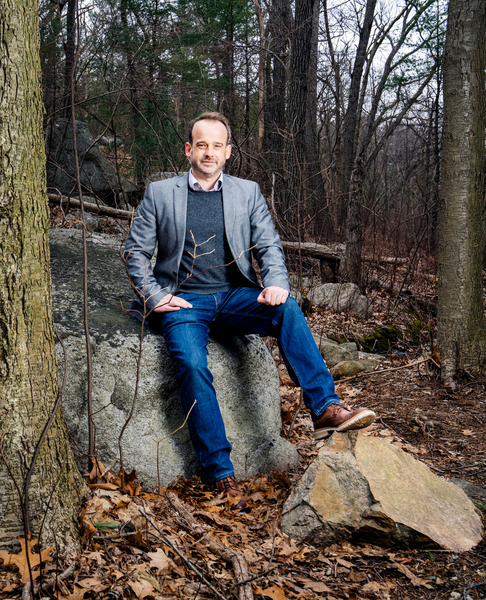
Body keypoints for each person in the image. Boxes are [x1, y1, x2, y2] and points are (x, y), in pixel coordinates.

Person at [123, 112, 376, 509]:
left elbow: (269, 246)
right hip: (183, 302)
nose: (209, 152)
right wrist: (155, 297)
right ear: (189, 150)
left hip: (233, 297)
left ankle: (325, 407)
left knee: (287, 309)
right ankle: (220, 473)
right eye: (201, 145)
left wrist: (276, 283)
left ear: (228, 152)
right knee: (190, 363)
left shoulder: (247, 192)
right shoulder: (160, 193)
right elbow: (135, 252)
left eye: (217, 145)